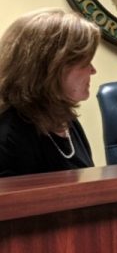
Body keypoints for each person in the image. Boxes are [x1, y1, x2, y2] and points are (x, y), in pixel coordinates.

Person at [0, 9, 100, 177]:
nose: (93, 70)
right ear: (51, 68)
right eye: (85, 63)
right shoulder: (10, 134)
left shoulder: (65, 118)